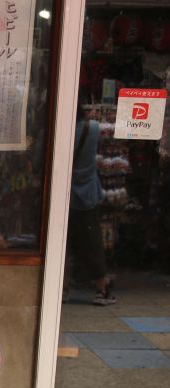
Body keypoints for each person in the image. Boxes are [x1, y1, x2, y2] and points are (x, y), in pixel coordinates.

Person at [68, 100, 116, 304]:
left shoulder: (59, 130)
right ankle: (101, 288)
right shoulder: (93, 128)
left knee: (64, 242)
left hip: (65, 195)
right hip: (87, 194)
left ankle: (62, 288)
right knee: (92, 241)